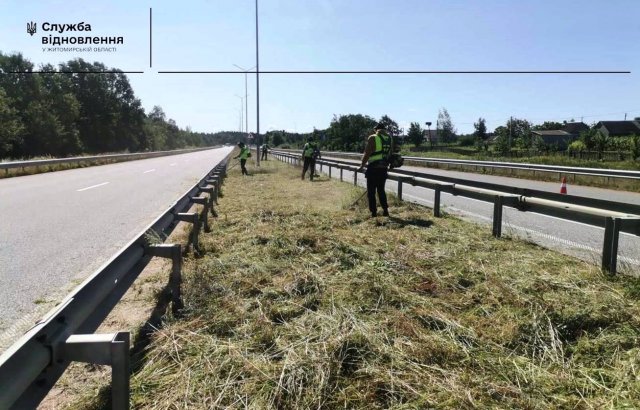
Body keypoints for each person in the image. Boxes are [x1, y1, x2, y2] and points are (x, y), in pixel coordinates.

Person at [359, 124, 392, 217]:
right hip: (383, 168)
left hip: (373, 168)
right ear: (384, 129)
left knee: (371, 191)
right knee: (381, 190)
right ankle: (385, 210)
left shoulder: (373, 137)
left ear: (375, 130)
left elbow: (367, 153)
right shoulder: (389, 138)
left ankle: (374, 213)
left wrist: (362, 166)